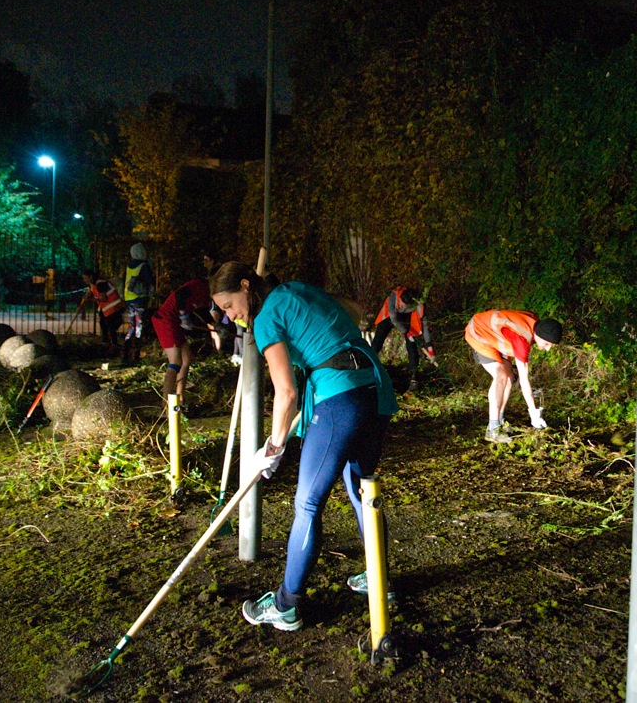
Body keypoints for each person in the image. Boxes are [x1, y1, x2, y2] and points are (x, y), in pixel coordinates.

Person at [209, 262, 397, 632]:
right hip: (371, 386)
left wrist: (274, 447)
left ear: (246, 286)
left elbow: (287, 391)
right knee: (362, 490)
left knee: (308, 504)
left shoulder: (265, 320)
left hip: (337, 398)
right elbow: (353, 309)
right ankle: (380, 581)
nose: (230, 316)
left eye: (229, 305)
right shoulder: (295, 290)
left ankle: (286, 605)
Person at [463, 310, 562, 443]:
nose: (548, 349)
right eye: (547, 344)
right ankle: (493, 429)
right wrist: (533, 413)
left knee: (509, 378)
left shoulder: (536, 325)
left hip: (494, 335)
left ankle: (499, 422)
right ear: (540, 335)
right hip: (479, 332)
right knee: (501, 375)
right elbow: (524, 379)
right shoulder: (521, 338)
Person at [150, 277, 219, 410]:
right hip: (166, 320)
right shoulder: (200, 285)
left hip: (175, 322)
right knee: (175, 362)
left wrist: (217, 326)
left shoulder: (207, 297)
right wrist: (183, 315)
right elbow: (180, 295)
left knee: (186, 359)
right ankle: (165, 405)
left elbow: (204, 313)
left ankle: (179, 399)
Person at [370, 286, 436, 390]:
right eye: (400, 303)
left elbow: (425, 327)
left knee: (412, 345)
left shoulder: (418, 305)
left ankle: (414, 378)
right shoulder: (394, 296)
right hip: (389, 316)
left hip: (407, 318)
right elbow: (394, 319)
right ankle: (367, 367)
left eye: (404, 306)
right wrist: (406, 332)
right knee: (378, 341)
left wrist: (429, 347)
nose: (401, 306)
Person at [121, 242, 154, 364]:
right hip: (140, 299)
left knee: (132, 326)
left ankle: (125, 353)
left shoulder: (129, 265)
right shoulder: (143, 265)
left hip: (129, 299)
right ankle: (135, 355)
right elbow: (150, 280)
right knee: (140, 326)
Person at [76, 269, 124, 350]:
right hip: (107, 308)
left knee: (111, 326)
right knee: (103, 323)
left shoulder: (101, 284)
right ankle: (107, 342)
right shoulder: (93, 284)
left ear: (90, 277)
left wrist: (91, 299)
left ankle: (113, 344)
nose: (84, 280)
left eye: (85, 278)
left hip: (114, 306)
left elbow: (104, 299)